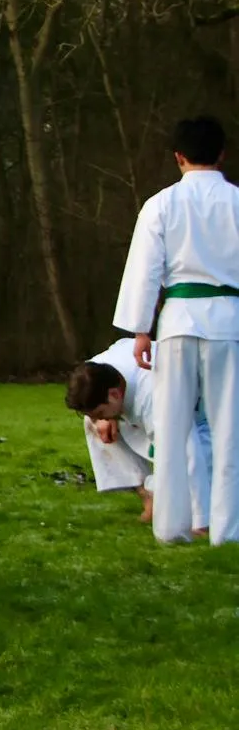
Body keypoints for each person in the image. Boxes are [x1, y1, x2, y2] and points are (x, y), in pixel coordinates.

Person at [113, 115, 239, 545]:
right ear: (222, 154)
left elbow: (145, 270)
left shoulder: (161, 204)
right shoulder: (237, 202)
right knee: (229, 428)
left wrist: (140, 330)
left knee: (171, 425)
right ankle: (226, 530)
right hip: (229, 323)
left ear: (178, 157)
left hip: (179, 320)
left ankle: (171, 526)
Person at [65, 340, 212, 529]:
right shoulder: (96, 372)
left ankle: (194, 511)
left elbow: (183, 452)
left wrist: (200, 520)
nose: (97, 417)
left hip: (201, 417)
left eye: (100, 412)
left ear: (114, 394)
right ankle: (147, 497)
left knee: (190, 475)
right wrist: (99, 419)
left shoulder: (154, 395)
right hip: (146, 407)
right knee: (93, 425)